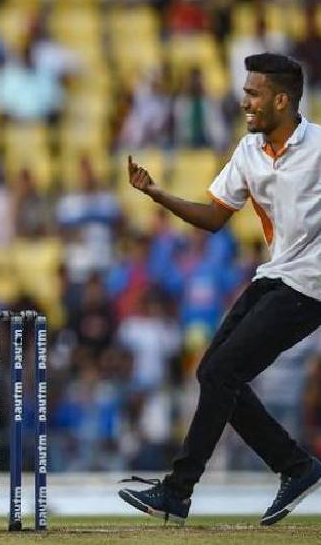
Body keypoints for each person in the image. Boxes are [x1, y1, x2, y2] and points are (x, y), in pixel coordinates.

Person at [118, 53, 321, 527]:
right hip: (275, 276)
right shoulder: (247, 152)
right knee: (213, 374)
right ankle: (295, 466)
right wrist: (156, 193)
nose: (245, 100)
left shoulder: (319, 148)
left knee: (223, 374)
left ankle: (178, 490)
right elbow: (214, 218)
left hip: (311, 284)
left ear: (282, 99)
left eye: (253, 93)